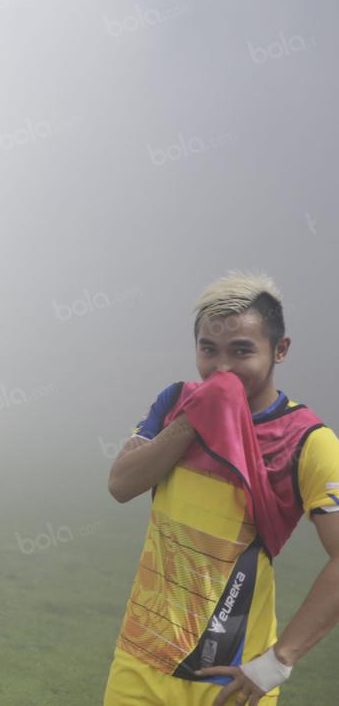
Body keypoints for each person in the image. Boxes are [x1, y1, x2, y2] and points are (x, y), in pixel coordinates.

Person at [104, 272, 339, 705]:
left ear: (280, 350)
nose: (222, 368)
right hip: (138, 667)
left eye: (242, 351)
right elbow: (121, 484)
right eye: (209, 350)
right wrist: (197, 417)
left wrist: (277, 662)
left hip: (229, 684)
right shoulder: (175, 401)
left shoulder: (307, 440)